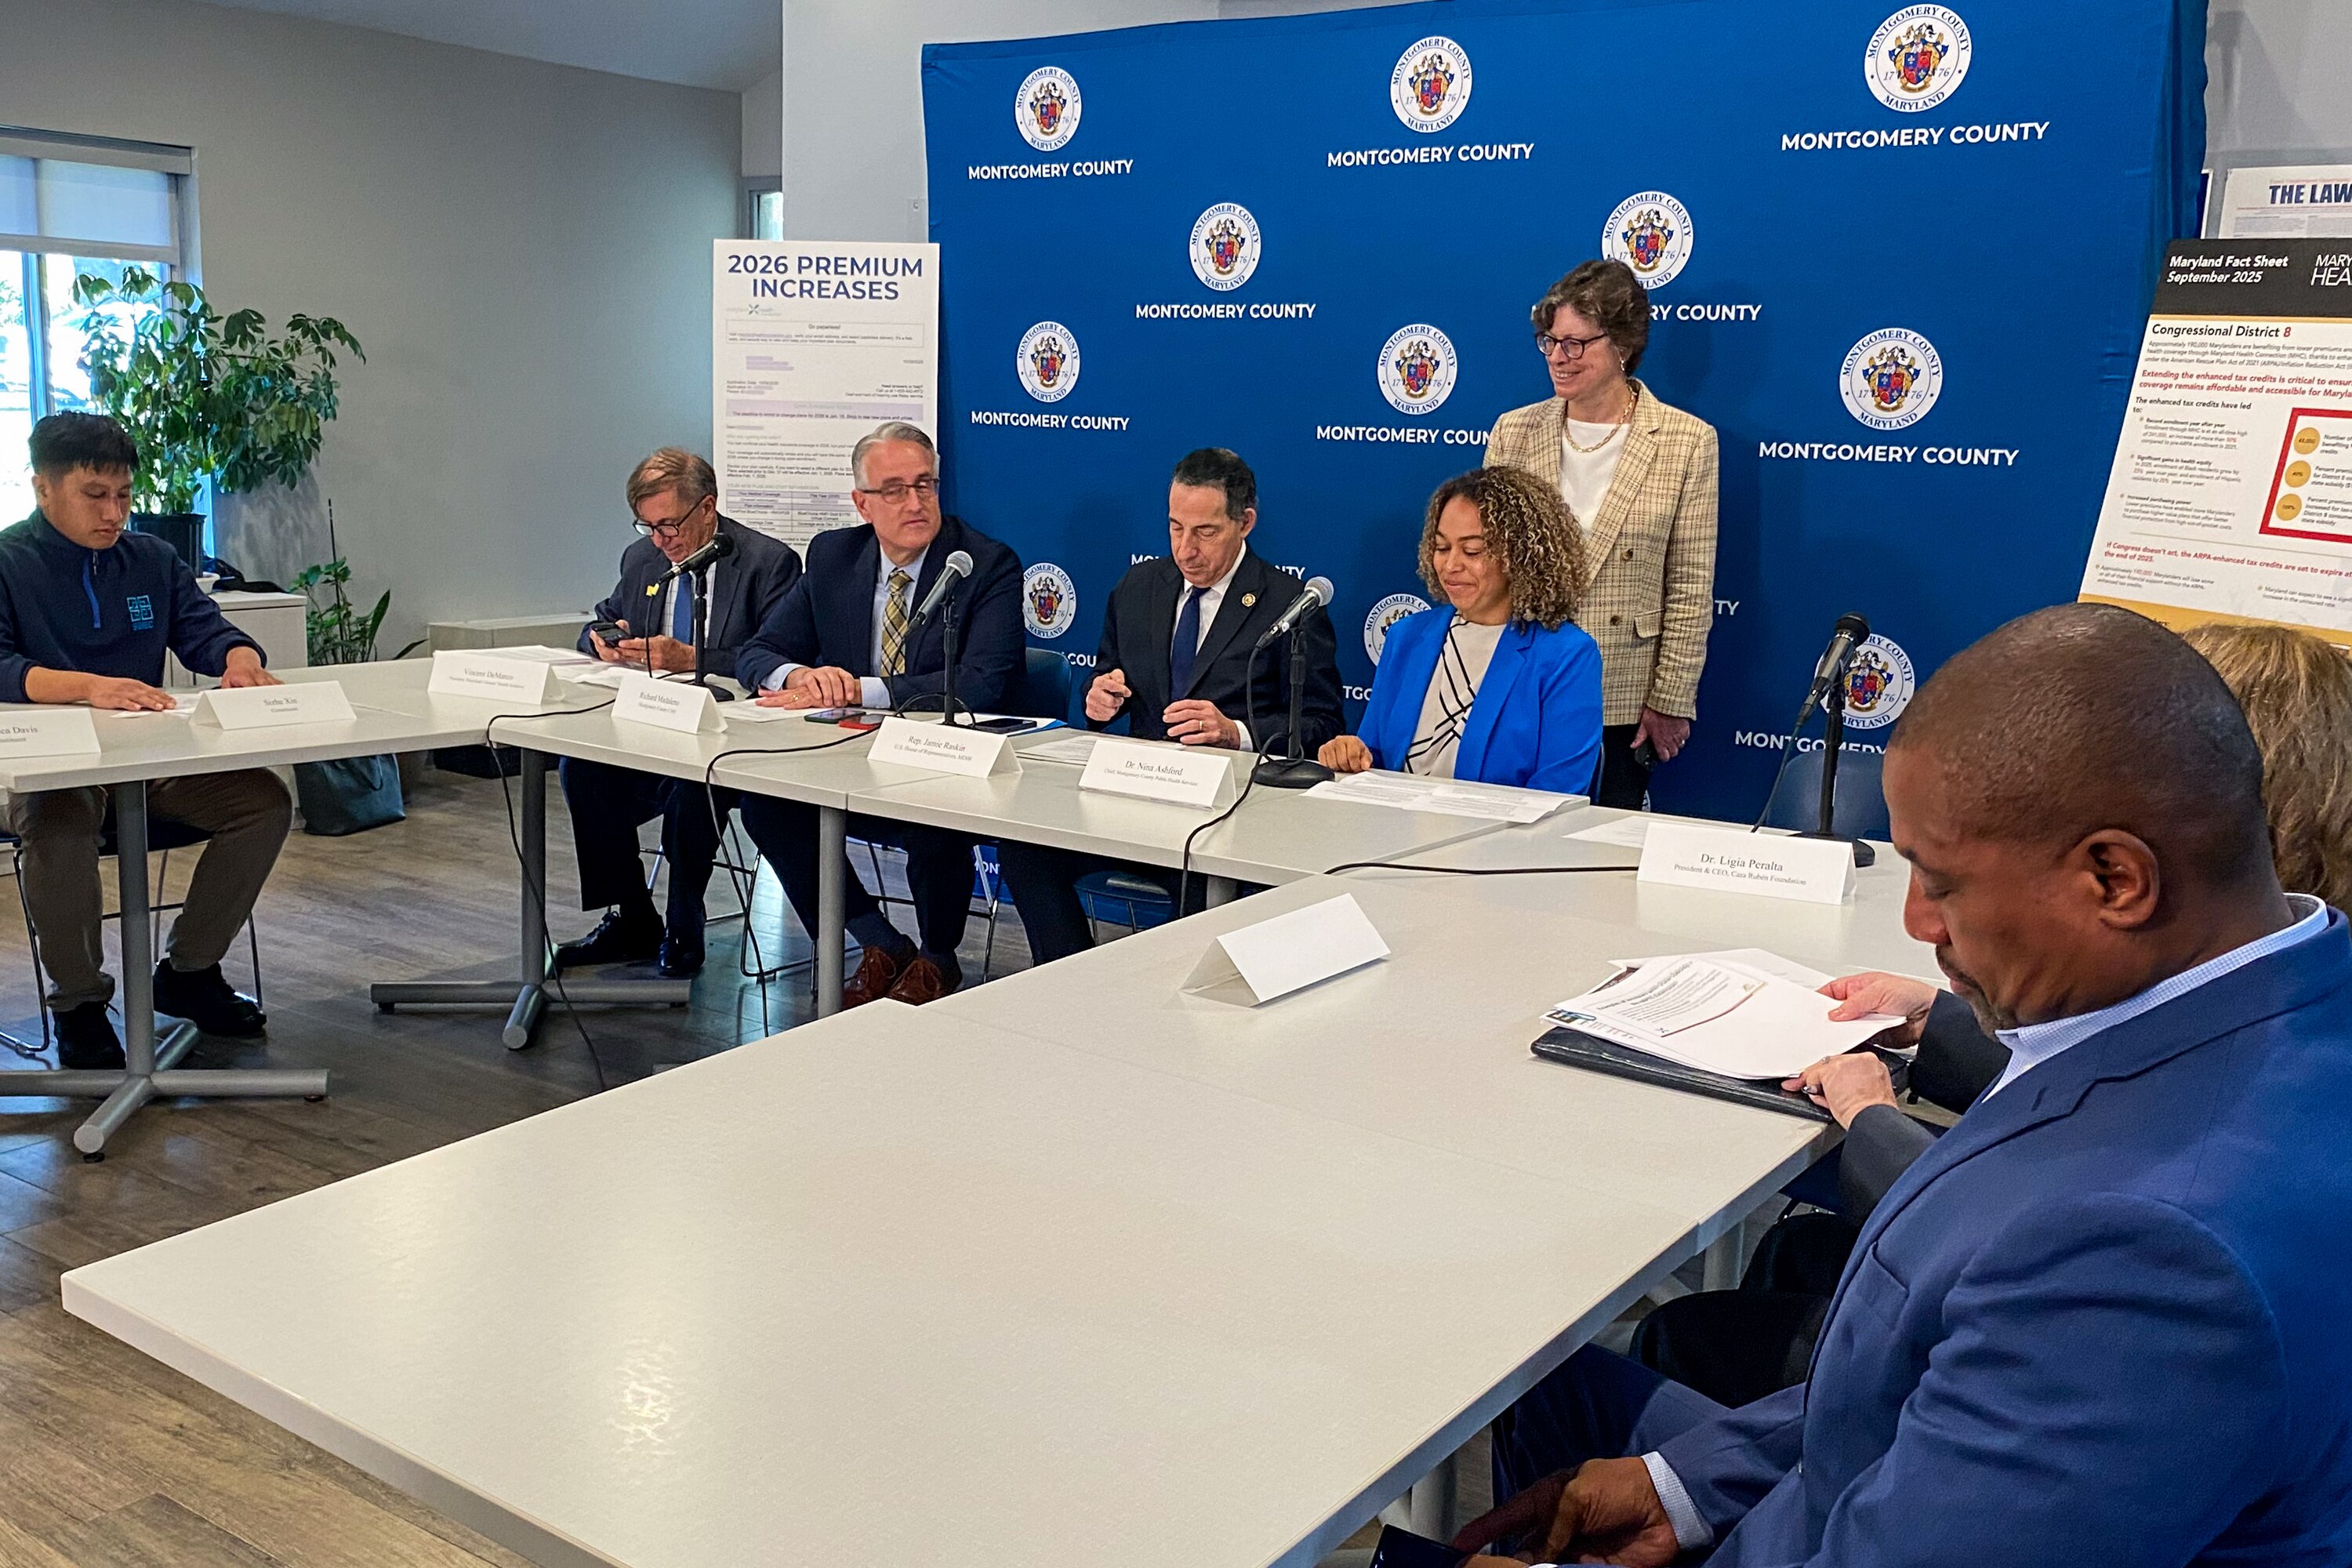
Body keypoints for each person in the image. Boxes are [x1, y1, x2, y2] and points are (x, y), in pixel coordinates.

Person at [1455, 603, 2352, 1567]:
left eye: (1941, 878)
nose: (1919, 919)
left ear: (2116, 878)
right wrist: (1685, 1485)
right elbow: (1919, 1400)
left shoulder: (2151, 1254)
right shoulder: (2260, 1008)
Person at [1635, 619, 2352, 1411]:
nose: (1922, 921)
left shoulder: (2181, 1208)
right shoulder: (2288, 979)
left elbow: (2038, 1218)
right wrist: (1938, 1018)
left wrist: (1874, 1116)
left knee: (1690, 1340)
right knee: (1801, 1250)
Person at [0, 413, 289, 1068]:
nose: (113, 513)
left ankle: (189, 972)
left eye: (124, 496)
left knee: (262, 803)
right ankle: (78, 1003)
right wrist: (85, 686)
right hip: (43, 766)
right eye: (94, 495)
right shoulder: (8, 562)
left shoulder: (151, 559)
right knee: (59, 822)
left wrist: (238, 656)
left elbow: (203, 629)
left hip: (146, 760)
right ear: (44, 488)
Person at [995, 448, 1342, 966]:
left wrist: (1236, 733)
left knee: (1201, 889)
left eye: (1205, 532)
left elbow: (1323, 724)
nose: (1186, 549)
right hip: (1135, 796)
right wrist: (1099, 700)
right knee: (1026, 851)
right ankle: (1073, 982)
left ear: (1245, 522)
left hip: (1226, 816)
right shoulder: (1137, 589)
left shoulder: (1287, 607)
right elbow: (1105, 689)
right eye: (1175, 528)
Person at [735, 422, 1021, 1004]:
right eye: (893, 490)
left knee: (933, 816)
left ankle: (938, 961)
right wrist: (801, 677)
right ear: (861, 503)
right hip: (844, 760)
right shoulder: (834, 556)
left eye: (925, 484)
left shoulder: (982, 565)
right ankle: (877, 939)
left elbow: (981, 685)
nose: (915, 503)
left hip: (934, 763)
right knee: (765, 804)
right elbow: (757, 652)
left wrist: (862, 690)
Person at [555, 448, 803, 979]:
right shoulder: (641, 559)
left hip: (734, 740)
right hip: (654, 724)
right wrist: (604, 642)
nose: (661, 540)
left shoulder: (767, 563)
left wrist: (693, 660)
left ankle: (683, 920)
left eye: (669, 525)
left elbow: (778, 658)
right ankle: (631, 915)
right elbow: (598, 622)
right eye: (649, 527)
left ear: (707, 508)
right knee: (582, 769)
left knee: (696, 788)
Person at [1486, 260, 1718, 810]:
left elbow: (1690, 584)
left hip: (1621, 693)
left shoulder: (1687, 441)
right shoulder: (1513, 431)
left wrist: (1670, 699)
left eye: (1576, 344)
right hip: (1517, 680)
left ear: (1623, 344)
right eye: (1550, 341)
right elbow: (1486, 567)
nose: (1559, 358)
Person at [1317, 467, 1600, 793]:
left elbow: (1560, 789)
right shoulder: (1406, 636)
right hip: (1392, 831)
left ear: (1521, 556)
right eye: (1441, 547)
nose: (1450, 566)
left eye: (1473, 551)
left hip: (1502, 839)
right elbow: (1375, 757)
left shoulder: (1566, 655)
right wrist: (1351, 754)